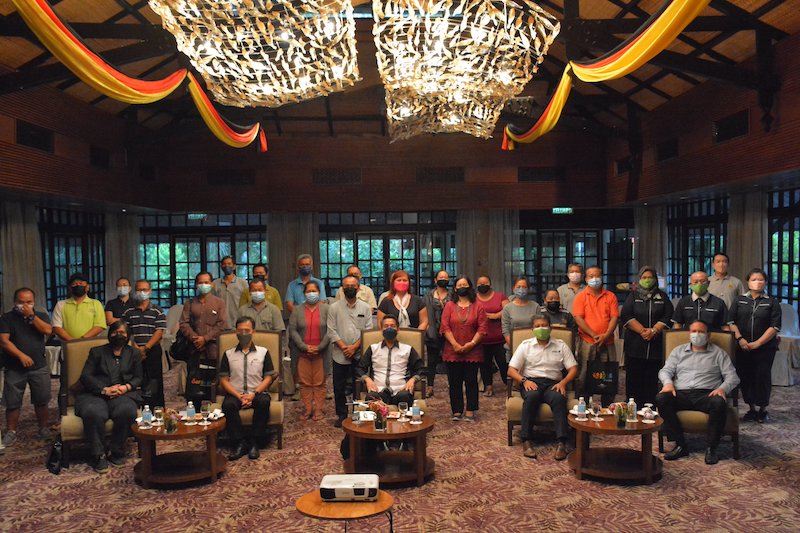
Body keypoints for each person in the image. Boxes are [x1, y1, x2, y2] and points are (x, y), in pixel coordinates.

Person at [656, 320, 740, 465]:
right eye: (693, 331)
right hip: (681, 393)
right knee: (661, 399)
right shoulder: (678, 351)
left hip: (707, 395)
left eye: (700, 332)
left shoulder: (718, 353)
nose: (696, 335)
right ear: (689, 334)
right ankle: (681, 445)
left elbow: (733, 377)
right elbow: (665, 370)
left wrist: (722, 389)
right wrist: (668, 383)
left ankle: (711, 448)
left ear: (708, 335)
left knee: (719, 402)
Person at [74, 321, 142, 473]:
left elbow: (138, 377)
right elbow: (86, 376)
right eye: (115, 332)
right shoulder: (96, 352)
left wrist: (125, 387)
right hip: (96, 393)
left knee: (127, 411)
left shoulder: (134, 353)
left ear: (128, 336)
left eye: (123, 333)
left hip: (122, 393)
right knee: (93, 412)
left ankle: (116, 450)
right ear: (109, 334)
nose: (119, 335)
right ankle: (98, 455)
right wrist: (104, 389)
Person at [507, 314, 577, 460]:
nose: (541, 329)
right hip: (531, 381)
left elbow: (573, 369)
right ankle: (526, 440)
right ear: (533, 329)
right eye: (538, 326)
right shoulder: (525, 345)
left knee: (558, 398)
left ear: (550, 327)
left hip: (554, 383)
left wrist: (563, 383)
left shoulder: (560, 345)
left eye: (544, 325)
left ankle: (562, 443)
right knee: (531, 397)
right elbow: (511, 370)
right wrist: (524, 381)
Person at [0, 288, 54, 446]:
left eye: (29, 302)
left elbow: (48, 331)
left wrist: (31, 315)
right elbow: (3, 341)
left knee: (41, 399)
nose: (25, 305)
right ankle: (11, 431)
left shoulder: (40, 315)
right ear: (14, 302)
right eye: (21, 302)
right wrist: (21, 355)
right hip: (14, 367)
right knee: (12, 402)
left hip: (39, 365)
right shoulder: (6, 318)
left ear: (34, 302)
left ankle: (43, 428)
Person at [727, 268, 781, 423]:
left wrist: (758, 343)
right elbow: (731, 322)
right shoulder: (739, 300)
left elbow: (775, 326)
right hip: (742, 347)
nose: (757, 282)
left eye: (761, 279)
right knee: (746, 377)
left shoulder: (772, 301)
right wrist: (740, 339)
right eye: (754, 279)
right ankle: (751, 408)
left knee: (762, 377)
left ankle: (763, 410)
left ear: (765, 282)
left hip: (765, 348)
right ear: (748, 282)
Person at [219, 317, 275, 461]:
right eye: (240, 331)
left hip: (257, 392)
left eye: (247, 330)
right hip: (235, 392)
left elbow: (268, 378)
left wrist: (253, 394)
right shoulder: (228, 354)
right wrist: (239, 396)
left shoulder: (263, 352)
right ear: (236, 332)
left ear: (253, 332)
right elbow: (224, 380)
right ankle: (240, 442)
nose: (243, 333)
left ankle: (255, 442)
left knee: (263, 402)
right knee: (228, 405)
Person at [620, 266, 674, 406]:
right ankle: (633, 408)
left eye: (650, 277)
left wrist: (654, 331)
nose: (647, 280)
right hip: (635, 345)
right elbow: (626, 315)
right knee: (633, 379)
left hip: (656, 345)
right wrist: (643, 331)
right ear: (639, 279)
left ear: (655, 279)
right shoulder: (633, 296)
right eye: (644, 278)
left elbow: (668, 316)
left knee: (652, 380)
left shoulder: (663, 296)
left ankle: (650, 410)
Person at [440, 276, 488, 421]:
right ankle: (457, 410)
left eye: (465, 285)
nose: (462, 287)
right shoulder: (449, 305)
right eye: (459, 285)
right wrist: (454, 344)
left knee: (471, 381)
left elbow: (483, 328)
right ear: (455, 288)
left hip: (473, 351)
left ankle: (470, 409)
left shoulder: (478, 306)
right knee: (454, 382)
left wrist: (471, 344)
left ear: (469, 287)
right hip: (452, 350)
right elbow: (444, 326)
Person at [328, 275, 373, 427]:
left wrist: (354, 347)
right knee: (339, 387)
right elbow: (331, 330)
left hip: (358, 353)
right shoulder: (334, 307)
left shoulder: (365, 307)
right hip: (339, 354)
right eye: (346, 285)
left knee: (358, 386)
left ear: (358, 287)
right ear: (342, 288)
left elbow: (368, 331)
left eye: (353, 285)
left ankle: (357, 413)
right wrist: (344, 347)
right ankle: (341, 415)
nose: (350, 288)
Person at [572, 265, 619, 405]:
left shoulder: (610, 296)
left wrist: (605, 335)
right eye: (591, 276)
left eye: (597, 276)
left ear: (602, 277)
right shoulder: (581, 296)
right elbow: (578, 318)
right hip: (587, 341)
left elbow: (614, 318)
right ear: (586, 279)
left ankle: (607, 408)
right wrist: (593, 334)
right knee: (584, 375)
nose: (594, 279)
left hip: (608, 342)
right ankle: (584, 409)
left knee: (608, 375)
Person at [179, 272, 227, 403]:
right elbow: (183, 323)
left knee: (213, 385)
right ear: (196, 285)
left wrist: (205, 338)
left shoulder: (219, 303)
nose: (203, 285)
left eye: (206, 282)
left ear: (211, 284)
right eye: (200, 282)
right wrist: (196, 338)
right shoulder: (190, 303)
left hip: (213, 349)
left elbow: (222, 324)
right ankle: (194, 412)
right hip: (194, 350)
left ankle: (214, 413)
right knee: (194, 385)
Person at [357, 314, 423, 406]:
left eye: (392, 326)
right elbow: (360, 368)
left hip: (400, 391)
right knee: (371, 398)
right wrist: (367, 379)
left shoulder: (407, 349)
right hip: (378, 391)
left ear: (398, 329)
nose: (389, 328)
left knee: (405, 396)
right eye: (386, 326)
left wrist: (413, 380)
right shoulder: (373, 348)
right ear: (381, 330)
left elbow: (421, 369)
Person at [288, 281, 330, 421]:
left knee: (319, 383)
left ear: (319, 293)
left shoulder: (326, 309)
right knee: (304, 383)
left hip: (321, 352)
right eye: (309, 291)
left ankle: (318, 410)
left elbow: (331, 329)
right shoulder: (297, 310)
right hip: (302, 352)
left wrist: (320, 347)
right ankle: (307, 409)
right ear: (304, 293)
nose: (312, 293)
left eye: (314, 291)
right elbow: (292, 330)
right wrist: (304, 346)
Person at [121, 280, 167, 408]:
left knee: (154, 381)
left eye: (145, 290)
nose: (142, 292)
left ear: (150, 291)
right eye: (139, 290)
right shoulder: (129, 311)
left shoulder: (157, 310)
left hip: (152, 350)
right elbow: (125, 331)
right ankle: (138, 407)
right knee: (135, 379)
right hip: (133, 351)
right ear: (135, 291)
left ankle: (157, 409)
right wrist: (136, 348)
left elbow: (159, 331)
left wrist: (146, 348)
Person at [475, 275, 508, 397]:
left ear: (490, 284)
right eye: (480, 283)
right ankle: (488, 386)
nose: (483, 285)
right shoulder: (474, 298)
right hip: (482, 339)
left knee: (503, 362)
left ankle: (508, 383)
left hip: (500, 338)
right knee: (485, 364)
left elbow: (507, 309)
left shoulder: (500, 296)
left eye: (485, 283)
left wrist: (495, 316)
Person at [52, 273, 107, 341]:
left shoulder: (96, 304)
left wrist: (82, 340)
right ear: (70, 288)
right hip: (68, 345)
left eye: (81, 283)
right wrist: (72, 341)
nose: (78, 285)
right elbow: (56, 327)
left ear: (87, 287)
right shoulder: (60, 304)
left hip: (91, 344)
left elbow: (100, 326)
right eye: (74, 284)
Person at [422, 270, 450, 398]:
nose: (443, 279)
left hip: (449, 333)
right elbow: (425, 312)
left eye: (445, 277)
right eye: (441, 277)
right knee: (432, 361)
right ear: (435, 280)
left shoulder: (453, 295)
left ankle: (452, 384)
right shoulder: (428, 295)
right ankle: (430, 386)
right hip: (433, 332)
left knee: (450, 361)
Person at [501, 277, 541, 359]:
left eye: (524, 287)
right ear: (513, 289)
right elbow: (505, 330)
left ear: (528, 289)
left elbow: (539, 327)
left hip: (533, 349)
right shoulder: (507, 308)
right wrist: (513, 346)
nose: (521, 289)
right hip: (513, 349)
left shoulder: (535, 306)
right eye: (518, 287)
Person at [212, 256, 249, 328]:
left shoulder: (243, 283)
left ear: (234, 266)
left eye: (229, 264)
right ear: (221, 266)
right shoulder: (215, 283)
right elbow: (212, 303)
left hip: (238, 322)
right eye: (224, 264)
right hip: (220, 323)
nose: (226, 266)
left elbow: (247, 303)